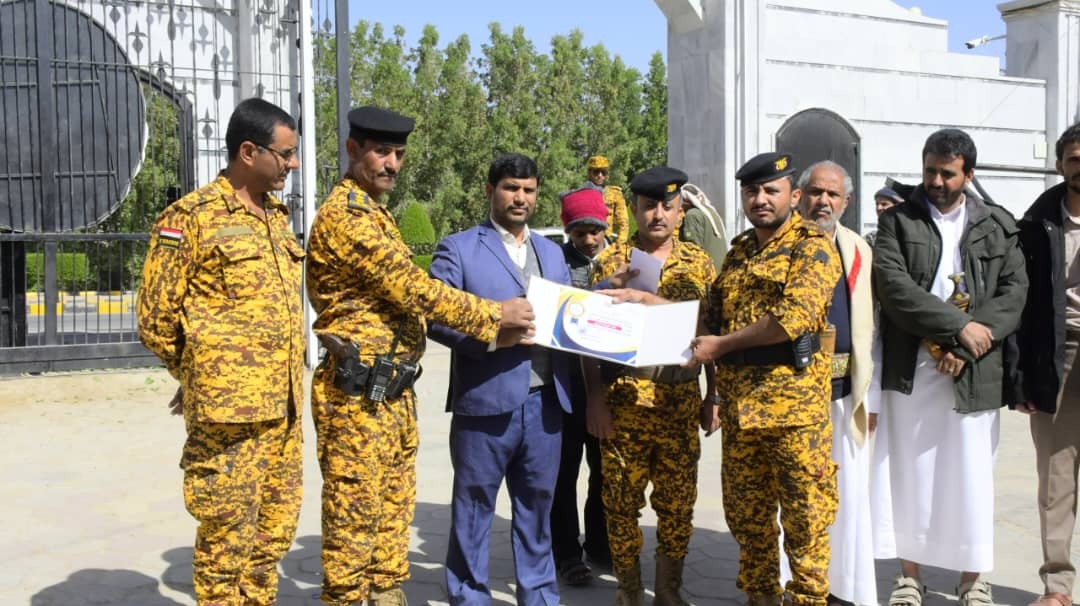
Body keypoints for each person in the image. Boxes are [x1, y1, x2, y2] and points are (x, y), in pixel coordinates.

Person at [305, 108, 536, 606]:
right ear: (352, 150)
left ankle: (386, 595)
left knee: (390, 527)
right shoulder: (348, 217)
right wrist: (494, 315)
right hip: (357, 401)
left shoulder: (375, 212)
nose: (392, 164)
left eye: (399, 155)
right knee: (353, 534)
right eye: (381, 152)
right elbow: (415, 290)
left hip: (391, 395)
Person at [137, 97, 306, 605]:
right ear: (248, 152)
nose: (293, 164)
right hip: (229, 419)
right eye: (285, 154)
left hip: (284, 410)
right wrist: (199, 373)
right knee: (225, 541)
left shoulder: (275, 217)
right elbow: (155, 317)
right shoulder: (189, 217)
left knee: (271, 538)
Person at [871, 128, 1027, 606]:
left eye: (947, 173)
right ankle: (910, 576)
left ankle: (972, 578)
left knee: (971, 476)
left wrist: (970, 344)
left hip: (974, 371)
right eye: (930, 171)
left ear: (968, 175)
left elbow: (1013, 291)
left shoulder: (997, 224)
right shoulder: (898, 222)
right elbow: (895, 289)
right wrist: (958, 328)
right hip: (912, 369)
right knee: (911, 474)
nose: (936, 181)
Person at [689, 152, 840, 606]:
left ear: (793, 196)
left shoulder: (811, 246)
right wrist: (642, 302)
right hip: (742, 416)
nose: (760, 199)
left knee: (805, 527)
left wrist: (722, 346)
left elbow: (791, 319)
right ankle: (760, 599)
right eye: (752, 191)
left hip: (794, 417)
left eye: (770, 191)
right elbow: (706, 318)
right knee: (749, 524)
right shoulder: (737, 252)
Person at [428, 153, 575, 606]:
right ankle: (470, 596)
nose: (520, 198)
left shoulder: (552, 252)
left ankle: (539, 596)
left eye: (529, 190)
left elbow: (573, 317)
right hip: (485, 405)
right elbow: (435, 315)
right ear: (491, 190)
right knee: (473, 510)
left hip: (546, 405)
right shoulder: (460, 248)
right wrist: (495, 334)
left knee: (537, 510)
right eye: (511, 187)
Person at [584, 166, 717, 606]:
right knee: (620, 505)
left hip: (680, 399)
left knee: (677, 505)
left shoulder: (698, 262)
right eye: (648, 206)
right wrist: (595, 399)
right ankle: (627, 591)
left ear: (681, 212)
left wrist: (713, 395)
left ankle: (667, 591)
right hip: (625, 400)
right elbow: (586, 334)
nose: (657, 214)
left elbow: (710, 332)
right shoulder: (610, 261)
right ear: (636, 209)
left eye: (667, 206)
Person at [789, 161, 877, 606]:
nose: (823, 201)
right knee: (794, 501)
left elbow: (871, 329)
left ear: (846, 202)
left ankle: (841, 587)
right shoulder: (778, 246)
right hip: (788, 399)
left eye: (832, 195)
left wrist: (871, 395)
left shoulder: (858, 249)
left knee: (841, 497)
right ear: (799, 195)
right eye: (815, 192)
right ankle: (794, 588)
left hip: (842, 397)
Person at [1005, 122, 1080, 606]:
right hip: (1061, 353)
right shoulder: (1037, 221)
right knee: (1055, 478)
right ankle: (1057, 587)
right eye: (1074, 158)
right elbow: (1021, 304)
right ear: (1060, 165)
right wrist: (1021, 379)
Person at [550, 187, 612, 587]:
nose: (588, 240)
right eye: (579, 232)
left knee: (605, 471)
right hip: (566, 388)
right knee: (564, 472)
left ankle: (602, 543)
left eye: (594, 230)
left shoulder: (624, 261)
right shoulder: (553, 264)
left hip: (613, 389)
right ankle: (567, 553)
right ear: (567, 231)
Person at [678, 182, 728, 272]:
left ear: (686, 200)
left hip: (707, 274)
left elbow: (692, 249)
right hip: (720, 272)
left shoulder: (692, 215)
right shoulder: (711, 212)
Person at [584, 155, 629, 243]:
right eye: (596, 172)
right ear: (590, 173)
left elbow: (623, 223)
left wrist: (619, 246)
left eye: (603, 172)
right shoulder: (582, 194)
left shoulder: (615, 194)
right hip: (586, 241)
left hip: (606, 241)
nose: (600, 175)